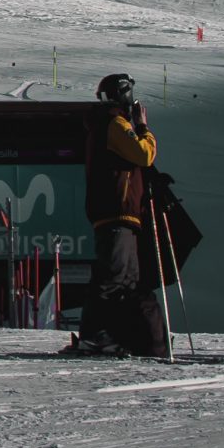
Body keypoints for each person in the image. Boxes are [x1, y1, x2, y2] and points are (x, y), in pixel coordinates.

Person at [72, 73, 168, 357]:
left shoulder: (107, 123)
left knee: (127, 281)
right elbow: (143, 154)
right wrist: (143, 128)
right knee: (112, 278)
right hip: (117, 212)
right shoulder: (114, 123)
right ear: (123, 93)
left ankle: (120, 335)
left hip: (121, 214)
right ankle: (94, 335)